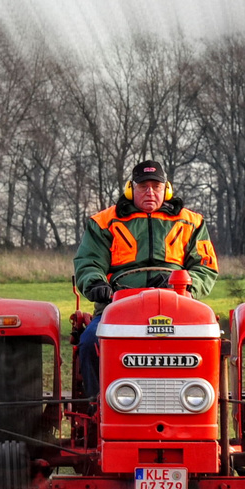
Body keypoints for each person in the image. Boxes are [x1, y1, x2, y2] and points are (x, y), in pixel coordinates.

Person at [73, 160, 219, 399]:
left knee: (211, 344)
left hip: (177, 305)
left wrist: (185, 284)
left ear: (166, 189)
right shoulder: (103, 222)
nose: (150, 192)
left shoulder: (192, 223)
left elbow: (205, 267)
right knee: (89, 343)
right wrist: (96, 284)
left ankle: (198, 402)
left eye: (156, 186)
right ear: (131, 189)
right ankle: (98, 405)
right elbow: (88, 262)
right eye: (143, 186)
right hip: (117, 306)